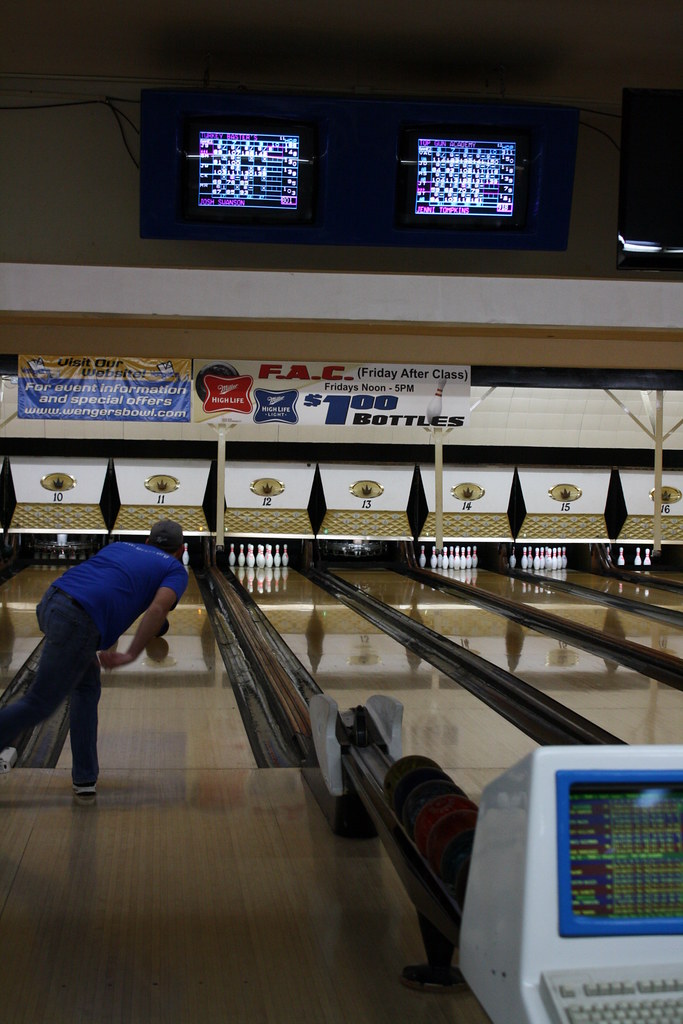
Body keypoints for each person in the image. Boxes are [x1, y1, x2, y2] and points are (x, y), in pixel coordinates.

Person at [0, 520, 188, 799]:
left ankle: (85, 778)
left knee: (87, 687)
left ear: (147, 542)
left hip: (52, 601)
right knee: (39, 703)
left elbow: (107, 589)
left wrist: (105, 645)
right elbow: (158, 608)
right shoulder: (174, 569)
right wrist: (130, 652)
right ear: (182, 549)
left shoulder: (121, 546)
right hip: (77, 621)